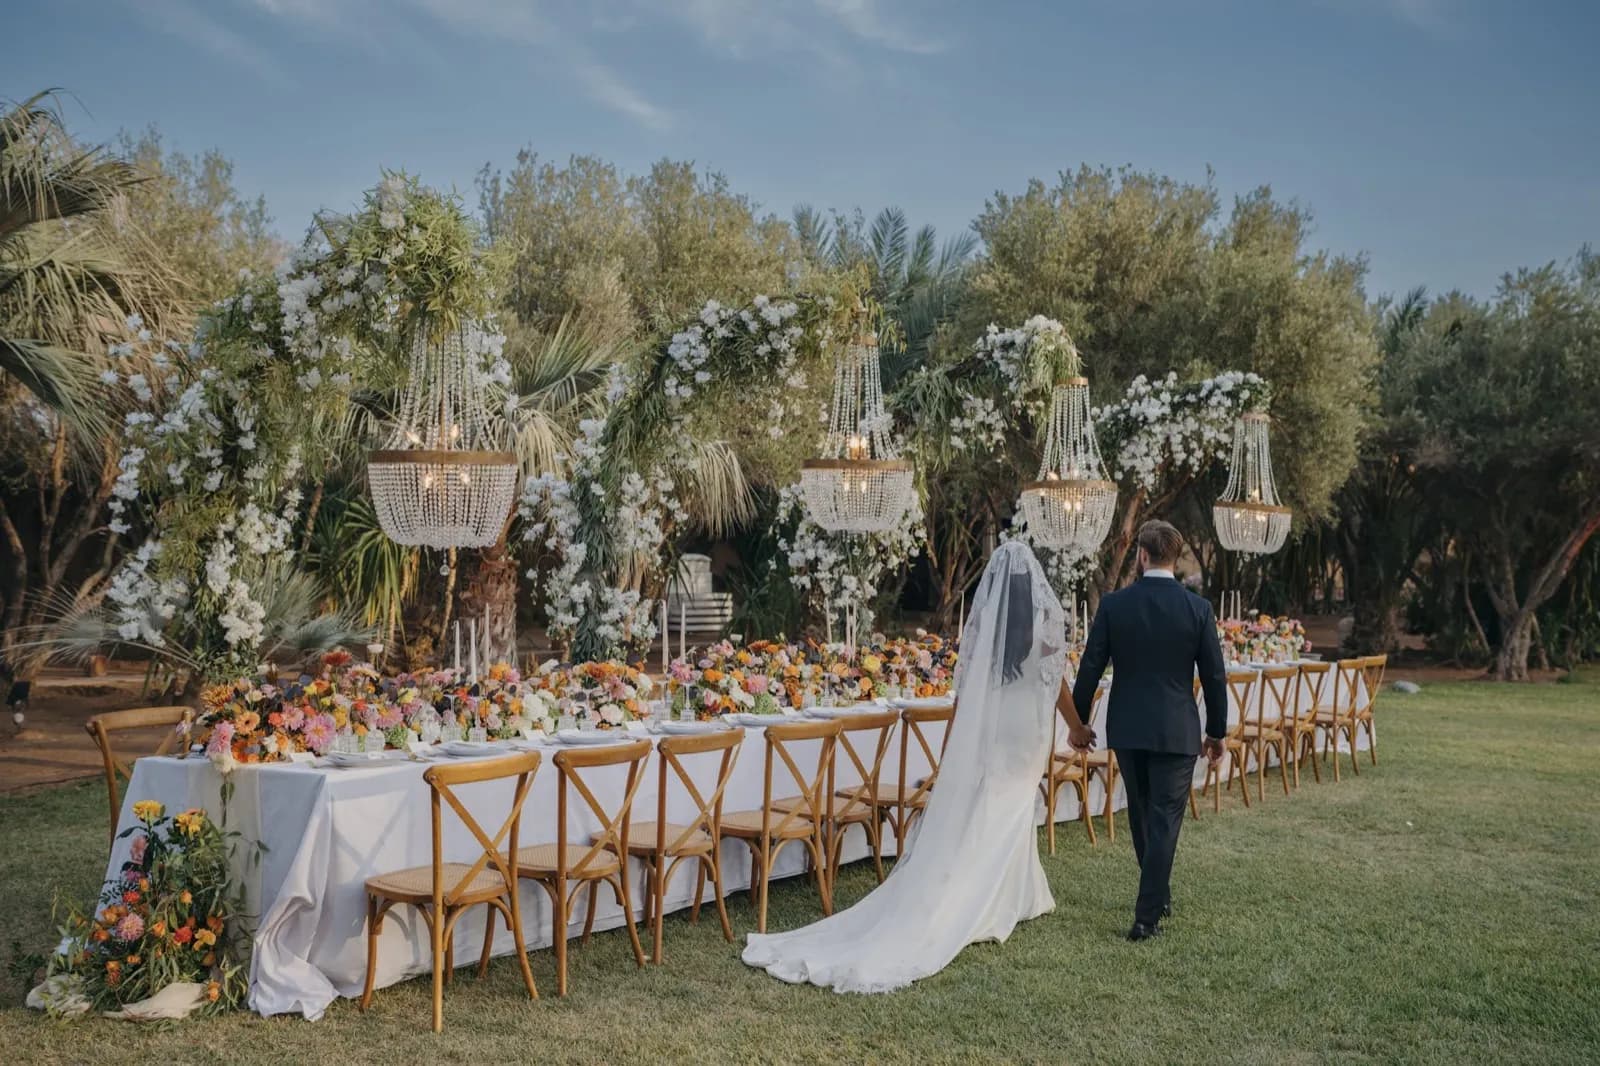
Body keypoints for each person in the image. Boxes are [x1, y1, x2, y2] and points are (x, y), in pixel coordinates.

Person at [742, 541, 1071, 993]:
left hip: (996, 739)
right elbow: (1058, 683)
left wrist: (954, 750)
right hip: (1025, 739)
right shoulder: (1043, 633)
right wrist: (1075, 725)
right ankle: (989, 901)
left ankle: (1016, 894)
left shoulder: (986, 637)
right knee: (1007, 813)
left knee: (993, 813)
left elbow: (964, 702)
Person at [1068, 519, 1227, 941]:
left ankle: (1156, 897)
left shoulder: (1115, 606)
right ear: (1173, 559)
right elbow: (1214, 676)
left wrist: (1079, 722)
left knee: (1142, 815)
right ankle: (1146, 917)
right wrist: (1217, 731)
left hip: (1128, 727)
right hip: (1177, 730)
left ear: (1141, 555)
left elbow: (1089, 667)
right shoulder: (1198, 609)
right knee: (1162, 820)